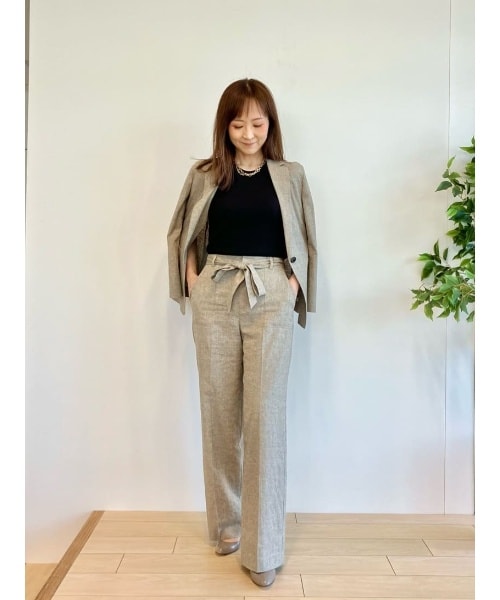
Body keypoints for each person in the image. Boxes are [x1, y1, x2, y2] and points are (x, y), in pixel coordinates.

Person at [167, 78, 317, 587]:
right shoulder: (205, 174)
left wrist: (292, 284)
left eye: (257, 122)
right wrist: (192, 275)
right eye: (237, 124)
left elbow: (306, 237)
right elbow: (182, 230)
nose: (248, 133)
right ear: (224, 127)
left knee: (265, 418)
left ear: (270, 123)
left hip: (270, 292)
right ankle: (229, 526)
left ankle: (263, 546)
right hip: (215, 291)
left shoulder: (291, 175)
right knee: (219, 412)